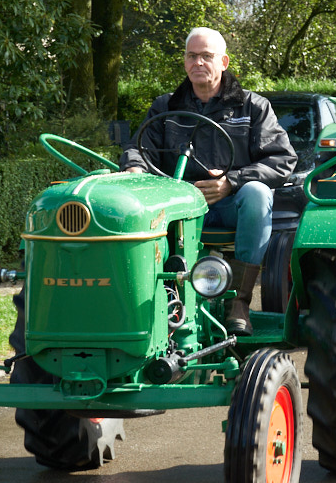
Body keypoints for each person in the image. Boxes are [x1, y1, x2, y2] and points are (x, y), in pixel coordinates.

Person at [120, 27, 296, 336]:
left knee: (257, 193)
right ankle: (151, 303)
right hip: (178, 208)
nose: (198, 63)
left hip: (230, 205)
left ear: (224, 62)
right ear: (184, 61)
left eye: (206, 56)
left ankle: (238, 302)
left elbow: (282, 160)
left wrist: (232, 182)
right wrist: (134, 167)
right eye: (192, 56)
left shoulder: (253, 107)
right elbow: (138, 148)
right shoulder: (165, 107)